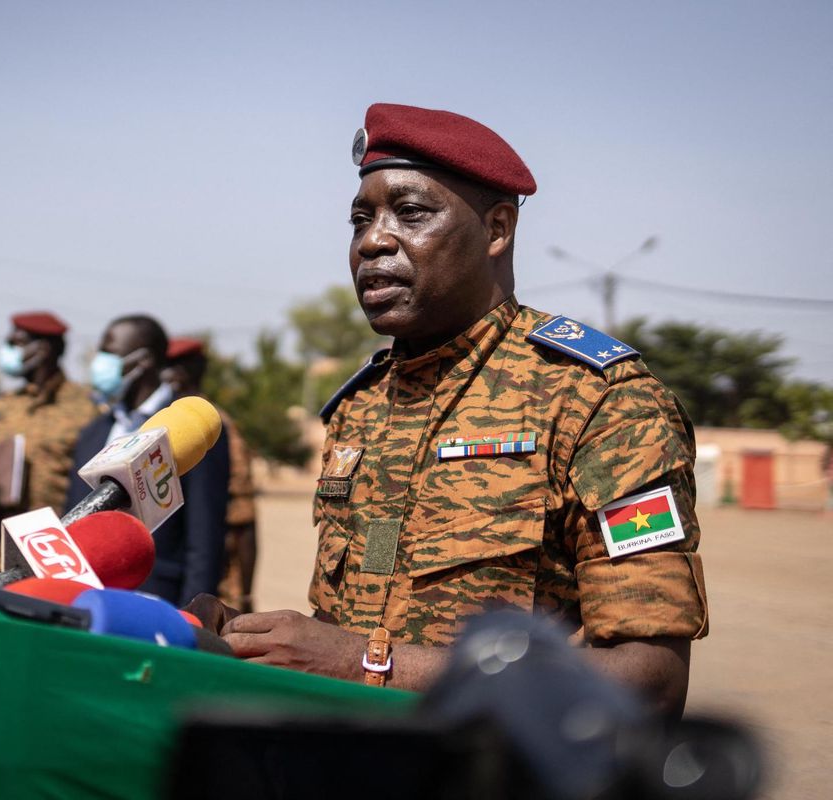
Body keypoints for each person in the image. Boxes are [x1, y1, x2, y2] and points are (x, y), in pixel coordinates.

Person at [188, 104, 708, 717]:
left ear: (496, 230)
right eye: (360, 220)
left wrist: (363, 663)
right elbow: (351, 630)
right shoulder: (360, 406)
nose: (373, 241)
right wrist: (255, 639)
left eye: (410, 214)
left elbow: (648, 679)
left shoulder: (600, 401)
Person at [68, 316, 230, 607]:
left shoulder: (190, 428)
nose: (99, 363)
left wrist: (193, 615)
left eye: (109, 352)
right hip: (88, 598)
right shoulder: (93, 431)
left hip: (158, 600)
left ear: (143, 361)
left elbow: (204, 538)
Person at [0, 312, 97, 571]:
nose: (6, 352)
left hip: (54, 556)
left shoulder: (87, 409)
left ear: (42, 349)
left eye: (14, 344)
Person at [163, 337, 258, 612]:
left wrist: (247, 596)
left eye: (180, 366)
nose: (173, 374)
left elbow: (243, 518)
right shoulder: (158, 420)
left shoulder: (217, 429)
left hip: (217, 577)